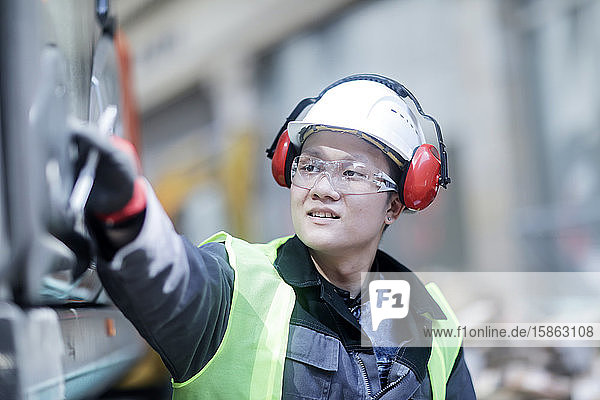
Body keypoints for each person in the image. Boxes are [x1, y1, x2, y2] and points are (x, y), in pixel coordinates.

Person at [77, 74, 476, 399]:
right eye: (310, 166)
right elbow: (168, 276)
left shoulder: (429, 317)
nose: (322, 187)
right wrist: (127, 214)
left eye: (351, 173)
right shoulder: (235, 286)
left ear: (397, 203)